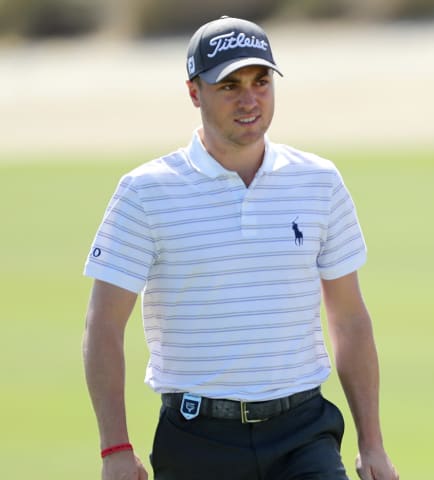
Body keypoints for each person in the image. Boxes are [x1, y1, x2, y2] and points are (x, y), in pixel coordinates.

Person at [82, 16, 398, 480]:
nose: (249, 99)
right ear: (194, 93)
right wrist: (115, 449)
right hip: (197, 439)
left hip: (304, 434)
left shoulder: (319, 182)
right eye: (229, 85)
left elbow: (349, 319)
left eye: (261, 81)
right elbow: (104, 326)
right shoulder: (145, 192)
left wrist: (372, 444)